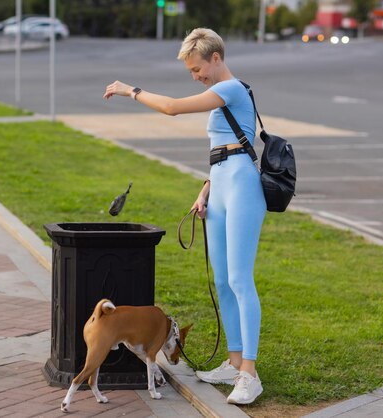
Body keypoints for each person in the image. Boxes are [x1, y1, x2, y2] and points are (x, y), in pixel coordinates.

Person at [103, 28, 266, 405]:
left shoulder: (232, 89)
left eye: (198, 69)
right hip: (222, 183)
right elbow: (226, 148)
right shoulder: (222, 94)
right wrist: (206, 188)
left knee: (241, 279)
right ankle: (234, 361)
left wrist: (132, 90)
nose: (196, 76)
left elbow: (173, 108)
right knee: (223, 281)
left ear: (215, 57)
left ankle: (250, 374)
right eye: (191, 72)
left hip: (242, 187)